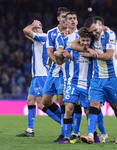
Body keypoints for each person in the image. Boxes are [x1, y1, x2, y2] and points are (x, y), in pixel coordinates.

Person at [71, 17, 117, 144]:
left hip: (113, 77)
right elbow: (73, 45)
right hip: (96, 78)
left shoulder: (109, 34)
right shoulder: (89, 36)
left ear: (100, 25)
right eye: (92, 32)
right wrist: (90, 49)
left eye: (96, 31)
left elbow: (108, 56)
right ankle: (90, 134)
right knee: (93, 105)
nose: (94, 34)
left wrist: (91, 54)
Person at [16, 20, 61, 137]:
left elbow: (26, 30)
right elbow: (27, 32)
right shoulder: (38, 38)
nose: (36, 29)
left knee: (41, 105)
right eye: (36, 27)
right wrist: (33, 25)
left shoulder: (43, 37)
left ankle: (65, 124)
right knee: (30, 101)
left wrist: (33, 25)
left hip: (41, 75)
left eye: (39, 27)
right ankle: (30, 130)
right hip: (36, 76)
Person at [42, 7, 70, 142]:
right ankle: (66, 123)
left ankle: (64, 131)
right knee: (45, 101)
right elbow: (49, 52)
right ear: (58, 18)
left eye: (68, 16)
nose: (66, 19)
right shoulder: (51, 33)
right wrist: (58, 62)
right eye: (63, 17)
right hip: (53, 71)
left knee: (62, 101)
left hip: (64, 74)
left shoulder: (72, 33)